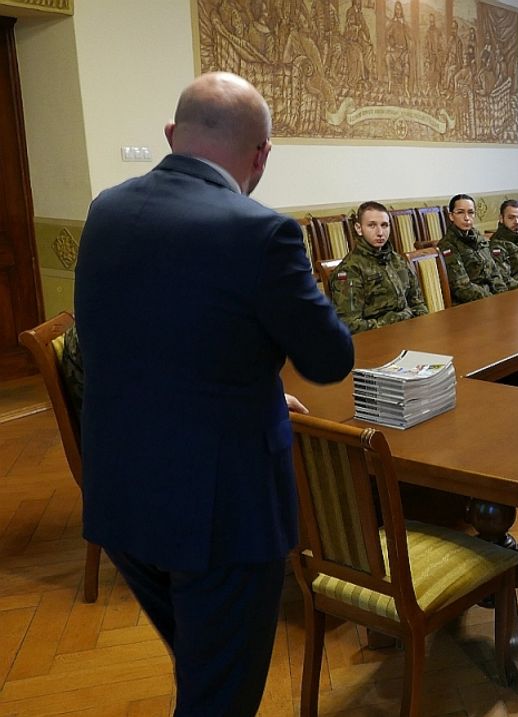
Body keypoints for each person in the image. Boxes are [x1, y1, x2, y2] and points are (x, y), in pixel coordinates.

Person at [73, 72, 354, 716]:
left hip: (121, 497)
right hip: (221, 514)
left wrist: (248, 385)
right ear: (262, 155)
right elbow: (330, 358)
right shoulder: (262, 233)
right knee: (220, 694)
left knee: (203, 669)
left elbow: (135, 338)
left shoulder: (106, 209)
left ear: (172, 135)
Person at [329, 201, 428, 332]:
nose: (380, 232)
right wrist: (395, 319)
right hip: (375, 339)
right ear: (359, 228)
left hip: (408, 332)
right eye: (372, 225)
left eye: (384, 225)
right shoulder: (349, 270)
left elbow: (418, 303)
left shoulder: (398, 260)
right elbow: (350, 324)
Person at [437, 193, 518, 303]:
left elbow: (494, 273)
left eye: (470, 213)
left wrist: (503, 294)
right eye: (460, 212)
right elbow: (462, 287)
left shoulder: (480, 239)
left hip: (493, 300)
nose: (467, 218)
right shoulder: (447, 245)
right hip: (469, 304)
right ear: (451, 216)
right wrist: (493, 299)